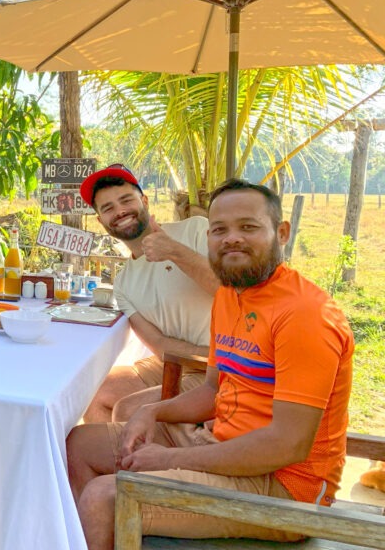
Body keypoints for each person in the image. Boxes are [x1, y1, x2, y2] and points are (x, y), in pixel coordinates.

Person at [66, 179, 354, 549]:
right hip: (221, 439)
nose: (231, 238)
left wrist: (172, 458)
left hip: (282, 487)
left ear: (281, 232)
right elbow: (212, 390)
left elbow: (287, 446)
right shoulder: (231, 297)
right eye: (219, 229)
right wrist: (152, 413)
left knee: (103, 497)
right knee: (79, 444)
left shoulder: (304, 314)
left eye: (248, 227)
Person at [78, 164, 220, 423]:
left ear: (144, 200)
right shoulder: (123, 284)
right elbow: (160, 347)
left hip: (226, 369)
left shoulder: (196, 230)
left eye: (126, 200)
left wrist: (174, 251)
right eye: (108, 208)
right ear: (101, 221)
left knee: (128, 409)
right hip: (179, 364)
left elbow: (231, 290)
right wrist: (192, 359)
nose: (120, 211)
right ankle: (114, 461)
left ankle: (138, 460)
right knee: (92, 393)